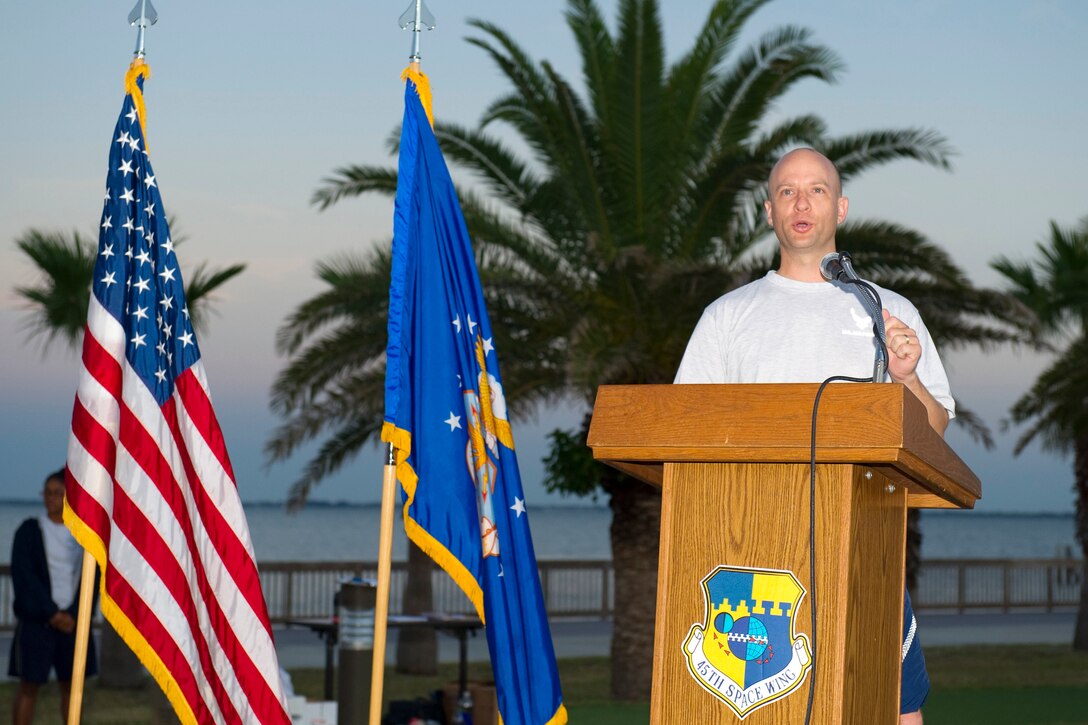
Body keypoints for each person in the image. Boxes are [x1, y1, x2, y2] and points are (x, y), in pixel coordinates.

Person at [675, 148, 952, 724]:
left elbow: (936, 433)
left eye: (818, 190)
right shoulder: (726, 316)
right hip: (745, 561)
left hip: (864, 547)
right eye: (788, 191)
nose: (802, 203)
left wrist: (908, 380)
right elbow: (683, 434)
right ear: (769, 211)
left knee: (896, 711)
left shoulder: (889, 311)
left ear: (842, 208)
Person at [8, 468, 97, 725]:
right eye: (47, 493)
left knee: (72, 688)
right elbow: (24, 577)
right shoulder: (29, 531)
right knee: (29, 686)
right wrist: (51, 613)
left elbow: (91, 579)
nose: (51, 498)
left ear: (68, 496)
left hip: (72, 622)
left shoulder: (83, 534)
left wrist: (74, 615)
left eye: (57, 493)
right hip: (38, 622)